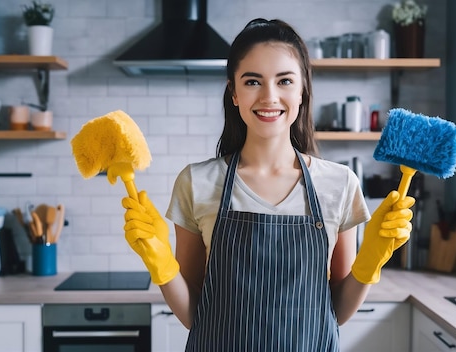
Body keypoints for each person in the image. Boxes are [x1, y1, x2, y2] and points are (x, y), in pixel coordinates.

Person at [122, 18, 415, 351]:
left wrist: (371, 260)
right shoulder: (197, 182)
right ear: (234, 92)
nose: (269, 96)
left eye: (285, 81)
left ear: (303, 91)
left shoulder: (339, 183)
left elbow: (338, 312)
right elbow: (194, 316)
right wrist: (160, 264)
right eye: (252, 82)